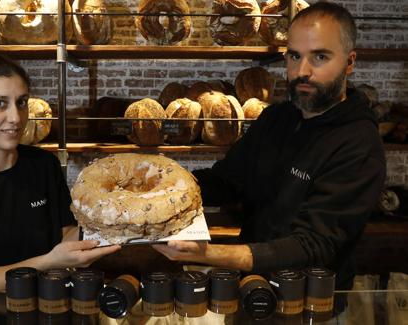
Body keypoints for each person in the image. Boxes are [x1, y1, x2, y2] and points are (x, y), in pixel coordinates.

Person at [153, 2, 386, 291]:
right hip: (251, 288)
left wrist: (206, 254)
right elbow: (226, 180)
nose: (302, 71)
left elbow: (313, 247)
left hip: (311, 301)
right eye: (294, 56)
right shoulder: (277, 118)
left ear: (349, 62)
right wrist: (163, 187)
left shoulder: (359, 144)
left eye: (320, 57)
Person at [0, 55, 120, 292]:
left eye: (21, 102)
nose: (16, 118)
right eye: (0, 103)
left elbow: (67, 232)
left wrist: (114, 227)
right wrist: (49, 262)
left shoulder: (43, 164)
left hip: (51, 303)